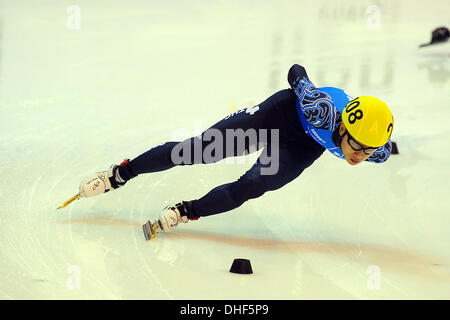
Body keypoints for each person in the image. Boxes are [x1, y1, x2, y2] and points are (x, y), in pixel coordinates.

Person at [76, 64, 394, 240]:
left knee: (254, 184)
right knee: (196, 151)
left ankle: (185, 211)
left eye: (369, 151)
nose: (360, 156)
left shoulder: (375, 150)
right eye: (356, 146)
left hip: (302, 146)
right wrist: (306, 86)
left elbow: (377, 147)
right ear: (342, 129)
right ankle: (119, 174)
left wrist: (374, 148)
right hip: (281, 115)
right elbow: (296, 70)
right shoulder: (320, 110)